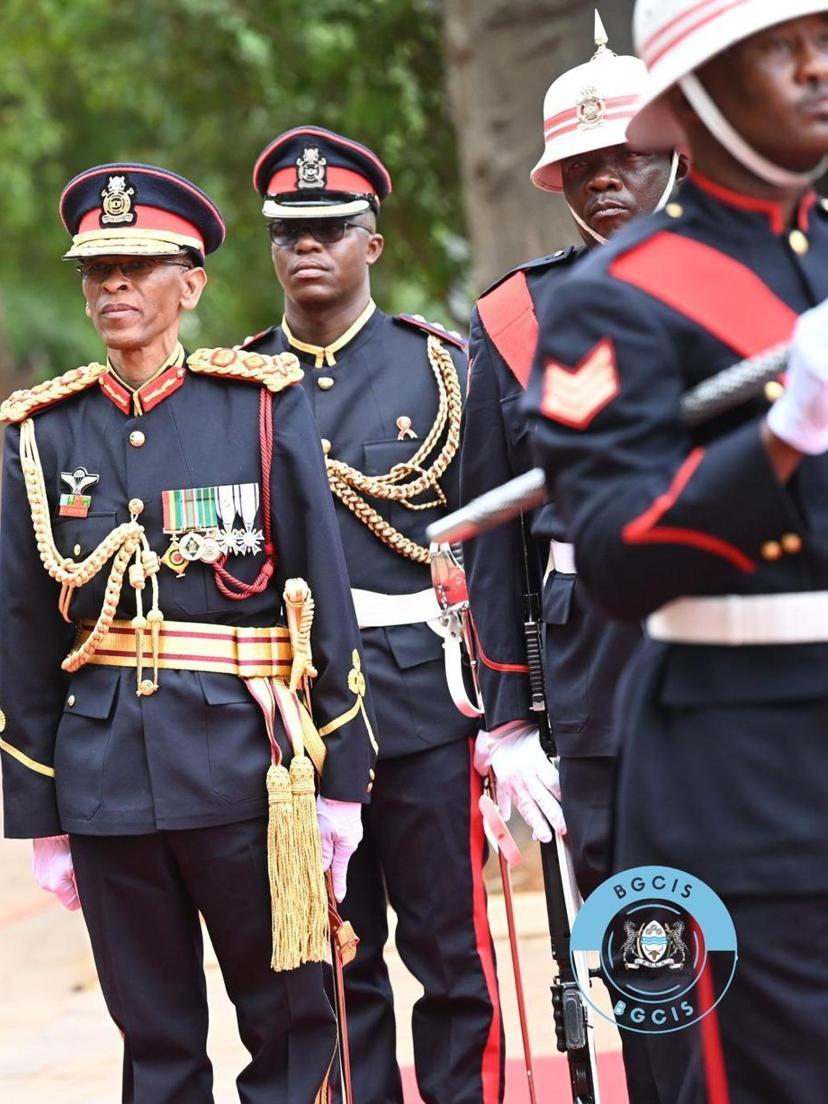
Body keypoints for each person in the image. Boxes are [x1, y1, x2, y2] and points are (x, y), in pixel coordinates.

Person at [0, 162, 374, 1102]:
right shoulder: (45, 432)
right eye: (99, 271)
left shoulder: (258, 405)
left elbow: (322, 593)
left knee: (290, 1026)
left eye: (137, 268)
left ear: (192, 285)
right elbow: (26, 628)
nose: (114, 287)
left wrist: (342, 780)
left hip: (247, 770)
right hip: (106, 781)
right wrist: (40, 813)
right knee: (155, 1042)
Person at [527, 2, 828, 1098]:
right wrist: (783, 435)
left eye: (824, 41)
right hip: (743, 758)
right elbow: (615, 552)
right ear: (694, 92)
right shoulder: (617, 299)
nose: (815, 70)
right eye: (779, 48)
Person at [240, 128, 503, 1103]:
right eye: (289, 231)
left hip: (420, 702)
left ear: (373, 243)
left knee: (450, 953)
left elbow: (489, 546)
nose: (307, 246)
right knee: (333, 962)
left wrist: (507, 709)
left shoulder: (440, 370)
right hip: (299, 717)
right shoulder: (239, 386)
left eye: (330, 228)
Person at [458, 19, 687, 1101]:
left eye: (627, 155)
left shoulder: (744, 276)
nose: (605, 179)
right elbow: (489, 529)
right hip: (593, 656)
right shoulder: (514, 317)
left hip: (741, 640)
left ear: (674, 150)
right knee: (642, 924)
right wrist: (508, 716)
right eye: (582, 164)